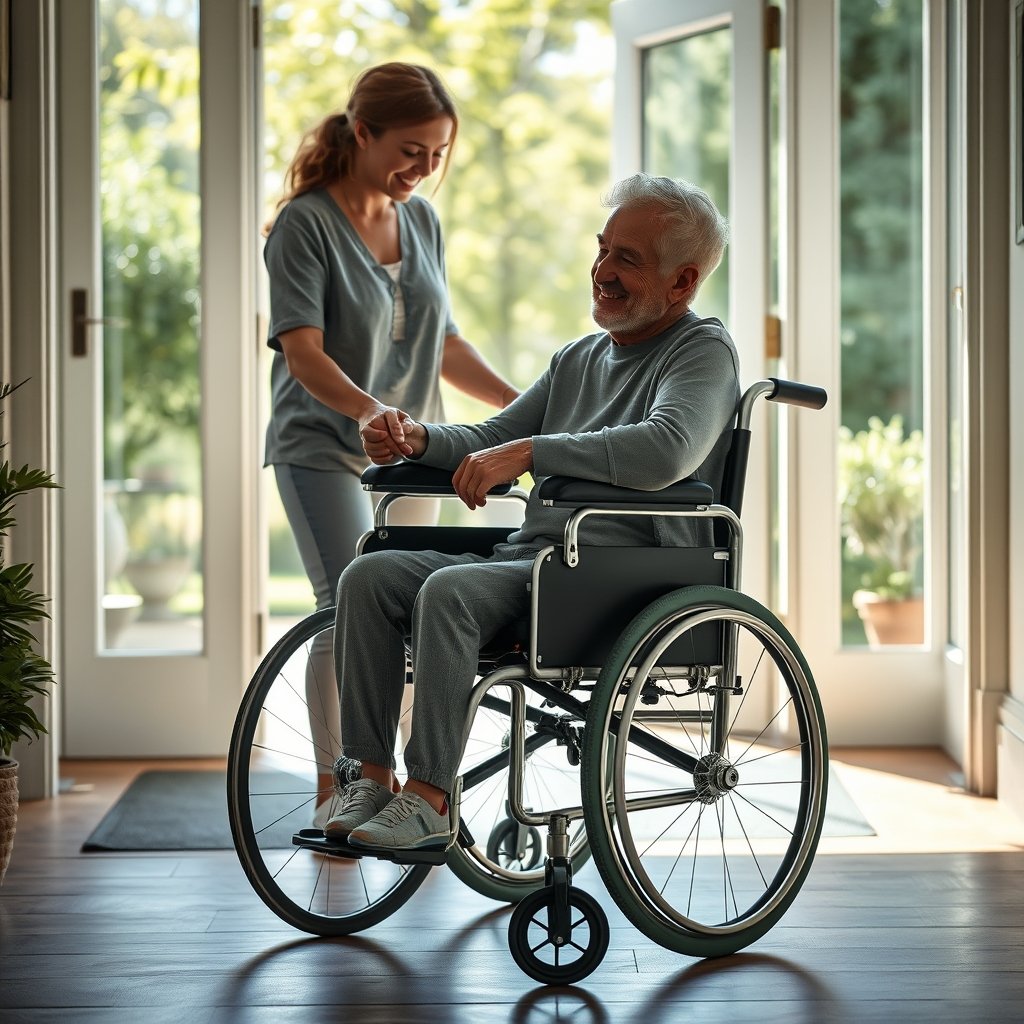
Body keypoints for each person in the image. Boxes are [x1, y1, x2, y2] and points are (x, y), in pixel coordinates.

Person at [324, 173, 740, 852]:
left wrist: (532, 451)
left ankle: (429, 798)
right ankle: (370, 778)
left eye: (626, 259)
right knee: (367, 578)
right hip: (543, 565)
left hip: (617, 574)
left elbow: (667, 449)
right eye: (603, 250)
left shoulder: (701, 352)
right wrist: (417, 437)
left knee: (449, 591)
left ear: (683, 282)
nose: (602, 271)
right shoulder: (578, 358)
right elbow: (492, 439)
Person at [262, 62, 519, 827]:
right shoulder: (305, 224)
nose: (424, 169)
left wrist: (521, 407)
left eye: (437, 154)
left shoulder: (422, 223)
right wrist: (372, 411)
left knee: (405, 610)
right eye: (411, 150)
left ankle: (408, 797)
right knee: (344, 604)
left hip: (416, 453)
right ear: (362, 131)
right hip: (325, 445)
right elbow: (303, 351)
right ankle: (338, 784)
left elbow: (443, 343)